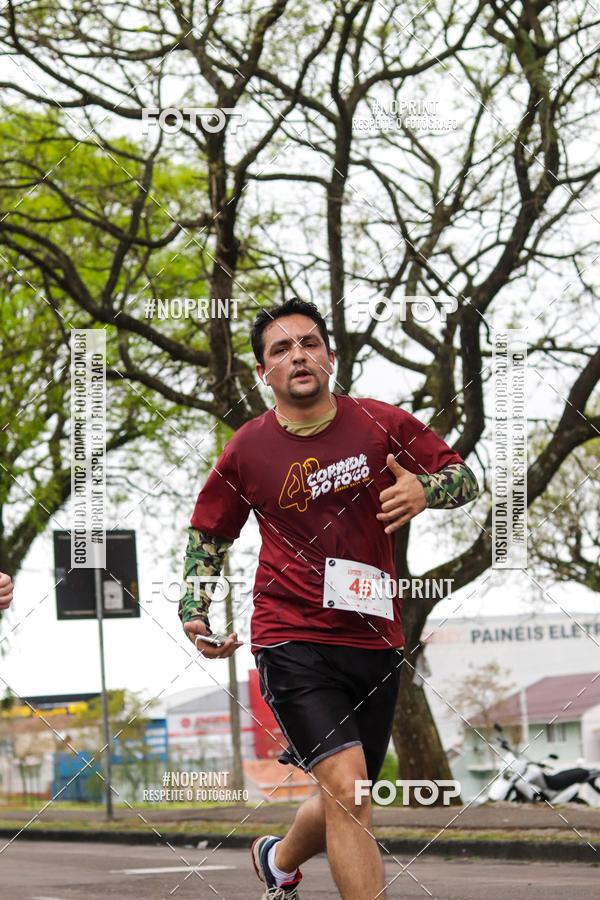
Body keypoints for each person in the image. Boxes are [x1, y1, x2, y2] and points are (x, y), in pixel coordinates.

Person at [179, 299, 478, 900]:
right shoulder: (247, 449)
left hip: (373, 635)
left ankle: (277, 858)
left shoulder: (381, 423)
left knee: (351, 793)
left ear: (330, 357)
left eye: (309, 343)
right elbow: (210, 531)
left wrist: (426, 489)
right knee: (347, 788)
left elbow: (464, 478)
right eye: (281, 349)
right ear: (264, 373)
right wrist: (195, 609)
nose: (298, 356)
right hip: (290, 633)